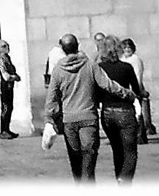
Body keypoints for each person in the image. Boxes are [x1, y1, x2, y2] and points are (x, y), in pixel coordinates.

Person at [44, 33, 133, 181]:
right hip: (88, 118)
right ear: (77, 46)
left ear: (63, 49)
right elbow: (108, 84)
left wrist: (49, 118)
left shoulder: (58, 70)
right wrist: (127, 93)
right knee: (89, 156)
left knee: (75, 157)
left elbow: (52, 98)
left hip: (69, 120)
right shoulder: (90, 65)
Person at [93, 35, 145, 183]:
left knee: (117, 150)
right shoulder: (126, 68)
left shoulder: (99, 69)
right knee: (130, 151)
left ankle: (119, 179)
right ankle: (124, 179)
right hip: (125, 111)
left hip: (107, 112)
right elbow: (136, 90)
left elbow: (96, 92)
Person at [119, 39, 152, 141]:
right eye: (125, 48)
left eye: (129, 47)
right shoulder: (122, 59)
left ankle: (140, 135)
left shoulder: (135, 59)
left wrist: (135, 89)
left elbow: (138, 75)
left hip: (134, 88)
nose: (127, 50)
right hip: (125, 89)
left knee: (138, 112)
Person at [0, 38, 22, 139]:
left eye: (7, 46)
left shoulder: (7, 58)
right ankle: (3, 131)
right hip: (3, 86)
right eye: (4, 46)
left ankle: (7, 129)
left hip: (9, 86)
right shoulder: (1, 60)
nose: (7, 48)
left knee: (9, 107)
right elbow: (6, 76)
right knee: (5, 108)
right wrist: (15, 77)